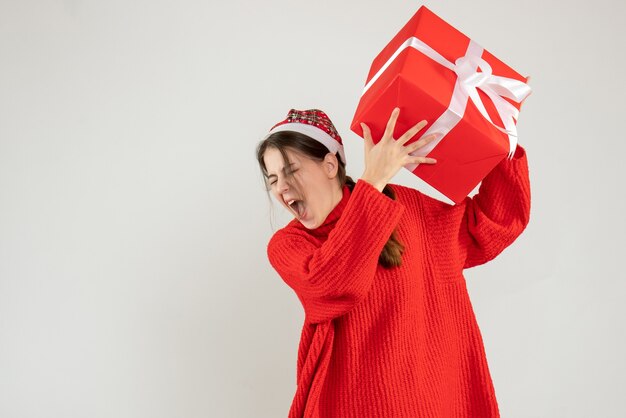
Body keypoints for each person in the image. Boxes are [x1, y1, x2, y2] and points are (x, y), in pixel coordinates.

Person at [255, 107, 531, 418]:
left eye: (291, 170)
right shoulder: (289, 245)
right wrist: (371, 184)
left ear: (330, 165)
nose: (281, 187)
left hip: (434, 402)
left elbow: (495, 222)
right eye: (273, 178)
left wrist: (499, 136)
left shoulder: (406, 209)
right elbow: (334, 285)